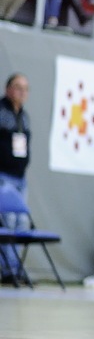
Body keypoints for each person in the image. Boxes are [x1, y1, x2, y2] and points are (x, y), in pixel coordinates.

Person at [0, 74, 32, 279]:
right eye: (18, 87)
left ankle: (15, 268)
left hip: (20, 178)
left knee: (21, 224)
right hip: (4, 176)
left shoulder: (24, 116)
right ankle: (8, 270)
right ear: (8, 89)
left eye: (25, 88)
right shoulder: (1, 112)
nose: (21, 92)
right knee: (7, 223)